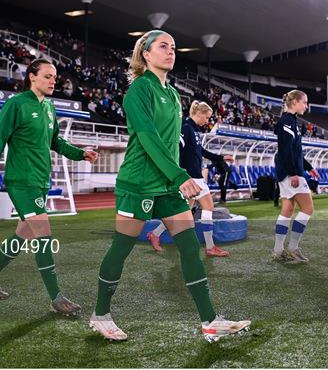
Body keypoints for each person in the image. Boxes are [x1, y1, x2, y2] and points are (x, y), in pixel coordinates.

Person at [89, 30, 250, 342]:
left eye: (174, 47)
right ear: (146, 54)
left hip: (168, 187)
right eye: (163, 46)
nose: (170, 51)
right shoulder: (139, 90)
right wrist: (181, 176)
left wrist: (176, 178)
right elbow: (148, 140)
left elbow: (171, 144)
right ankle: (100, 314)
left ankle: (210, 320)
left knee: (190, 247)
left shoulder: (174, 95)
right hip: (138, 184)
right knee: (121, 248)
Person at [0, 59, 98, 316]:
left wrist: (81, 153)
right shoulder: (16, 104)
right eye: (48, 76)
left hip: (41, 181)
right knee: (44, 235)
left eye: (55, 77)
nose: (54, 81)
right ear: (32, 77)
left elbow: (57, 143)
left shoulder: (50, 108)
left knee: (23, 234)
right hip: (22, 182)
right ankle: (56, 298)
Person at [146, 101, 232, 257]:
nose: (207, 121)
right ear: (199, 114)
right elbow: (175, 149)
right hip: (191, 178)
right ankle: (210, 247)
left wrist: (220, 157)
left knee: (183, 212)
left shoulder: (193, 129)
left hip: (194, 177)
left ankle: (155, 234)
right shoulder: (186, 127)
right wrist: (179, 172)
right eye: (206, 117)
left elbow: (201, 151)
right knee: (208, 207)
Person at [272, 90, 319, 263]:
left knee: (288, 209)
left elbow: (295, 151)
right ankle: (293, 247)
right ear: (295, 102)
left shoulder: (291, 121)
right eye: (305, 102)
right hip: (290, 172)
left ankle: (278, 250)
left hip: (289, 170)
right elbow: (285, 150)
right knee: (308, 209)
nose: (306, 106)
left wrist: (309, 167)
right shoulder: (287, 121)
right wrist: (293, 173)